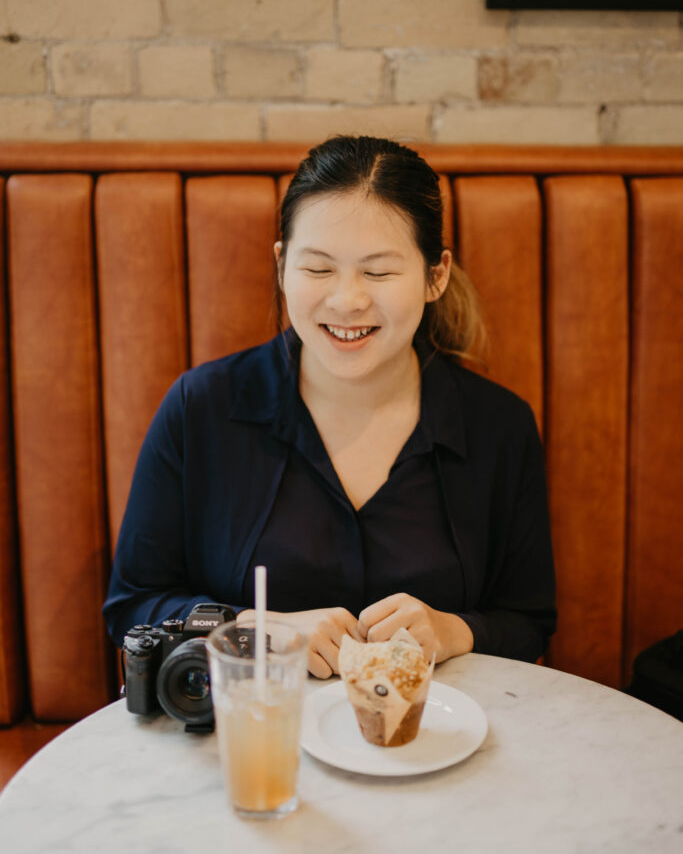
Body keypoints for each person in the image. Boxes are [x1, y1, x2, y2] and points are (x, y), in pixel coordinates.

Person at [103, 135, 556, 678]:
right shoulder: (200, 408)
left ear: (436, 276)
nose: (347, 300)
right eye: (318, 269)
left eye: (379, 272)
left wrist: (455, 629)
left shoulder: (499, 427)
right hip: (256, 740)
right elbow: (133, 606)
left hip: (430, 744)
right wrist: (255, 628)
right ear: (281, 265)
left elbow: (528, 619)